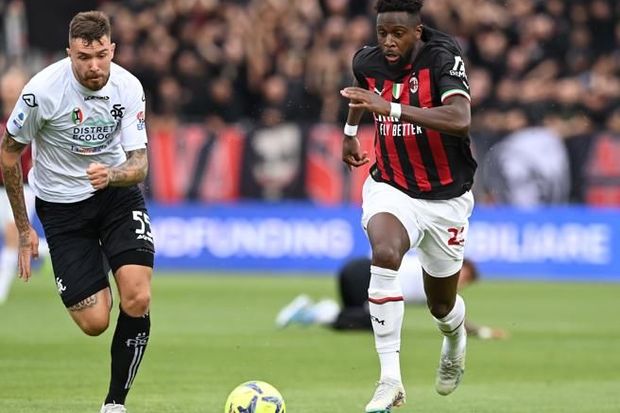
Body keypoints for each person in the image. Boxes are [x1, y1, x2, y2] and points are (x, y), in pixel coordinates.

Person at [0, 11, 154, 413]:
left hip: (116, 196)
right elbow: (8, 154)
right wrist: (25, 228)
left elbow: (140, 164)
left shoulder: (128, 87)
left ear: (112, 50)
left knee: (137, 296)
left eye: (101, 55)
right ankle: (100, 257)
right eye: (84, 57)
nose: (94, 66)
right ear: (69, 53)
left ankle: (115, 404)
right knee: (95, 323)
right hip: (62, 209)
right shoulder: (41, 92)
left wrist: (113, 175)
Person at [339, 0, 477, 411]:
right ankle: (390, 381)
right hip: (391, 185)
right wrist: (350, 132)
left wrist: (392, 109)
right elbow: (361, 93)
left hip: (446, 199)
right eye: (382, 33)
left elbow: (460, 119)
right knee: (384, 253)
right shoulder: (367, 60)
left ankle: (454, 338)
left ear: (417, 32)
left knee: (442, 306)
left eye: (397, 33)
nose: (388, 42)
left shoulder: (442, 58)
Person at [276, 254, 508, 340]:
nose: (462, 283)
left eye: (466, 281)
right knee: (373, 322)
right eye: (463, 276)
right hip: (363, 274)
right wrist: (483, 332)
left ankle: (312, 313)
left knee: (355, 323)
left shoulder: (433, 271)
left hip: (359, 270)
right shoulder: (435, 275)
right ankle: (318, 311)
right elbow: (450, 318)